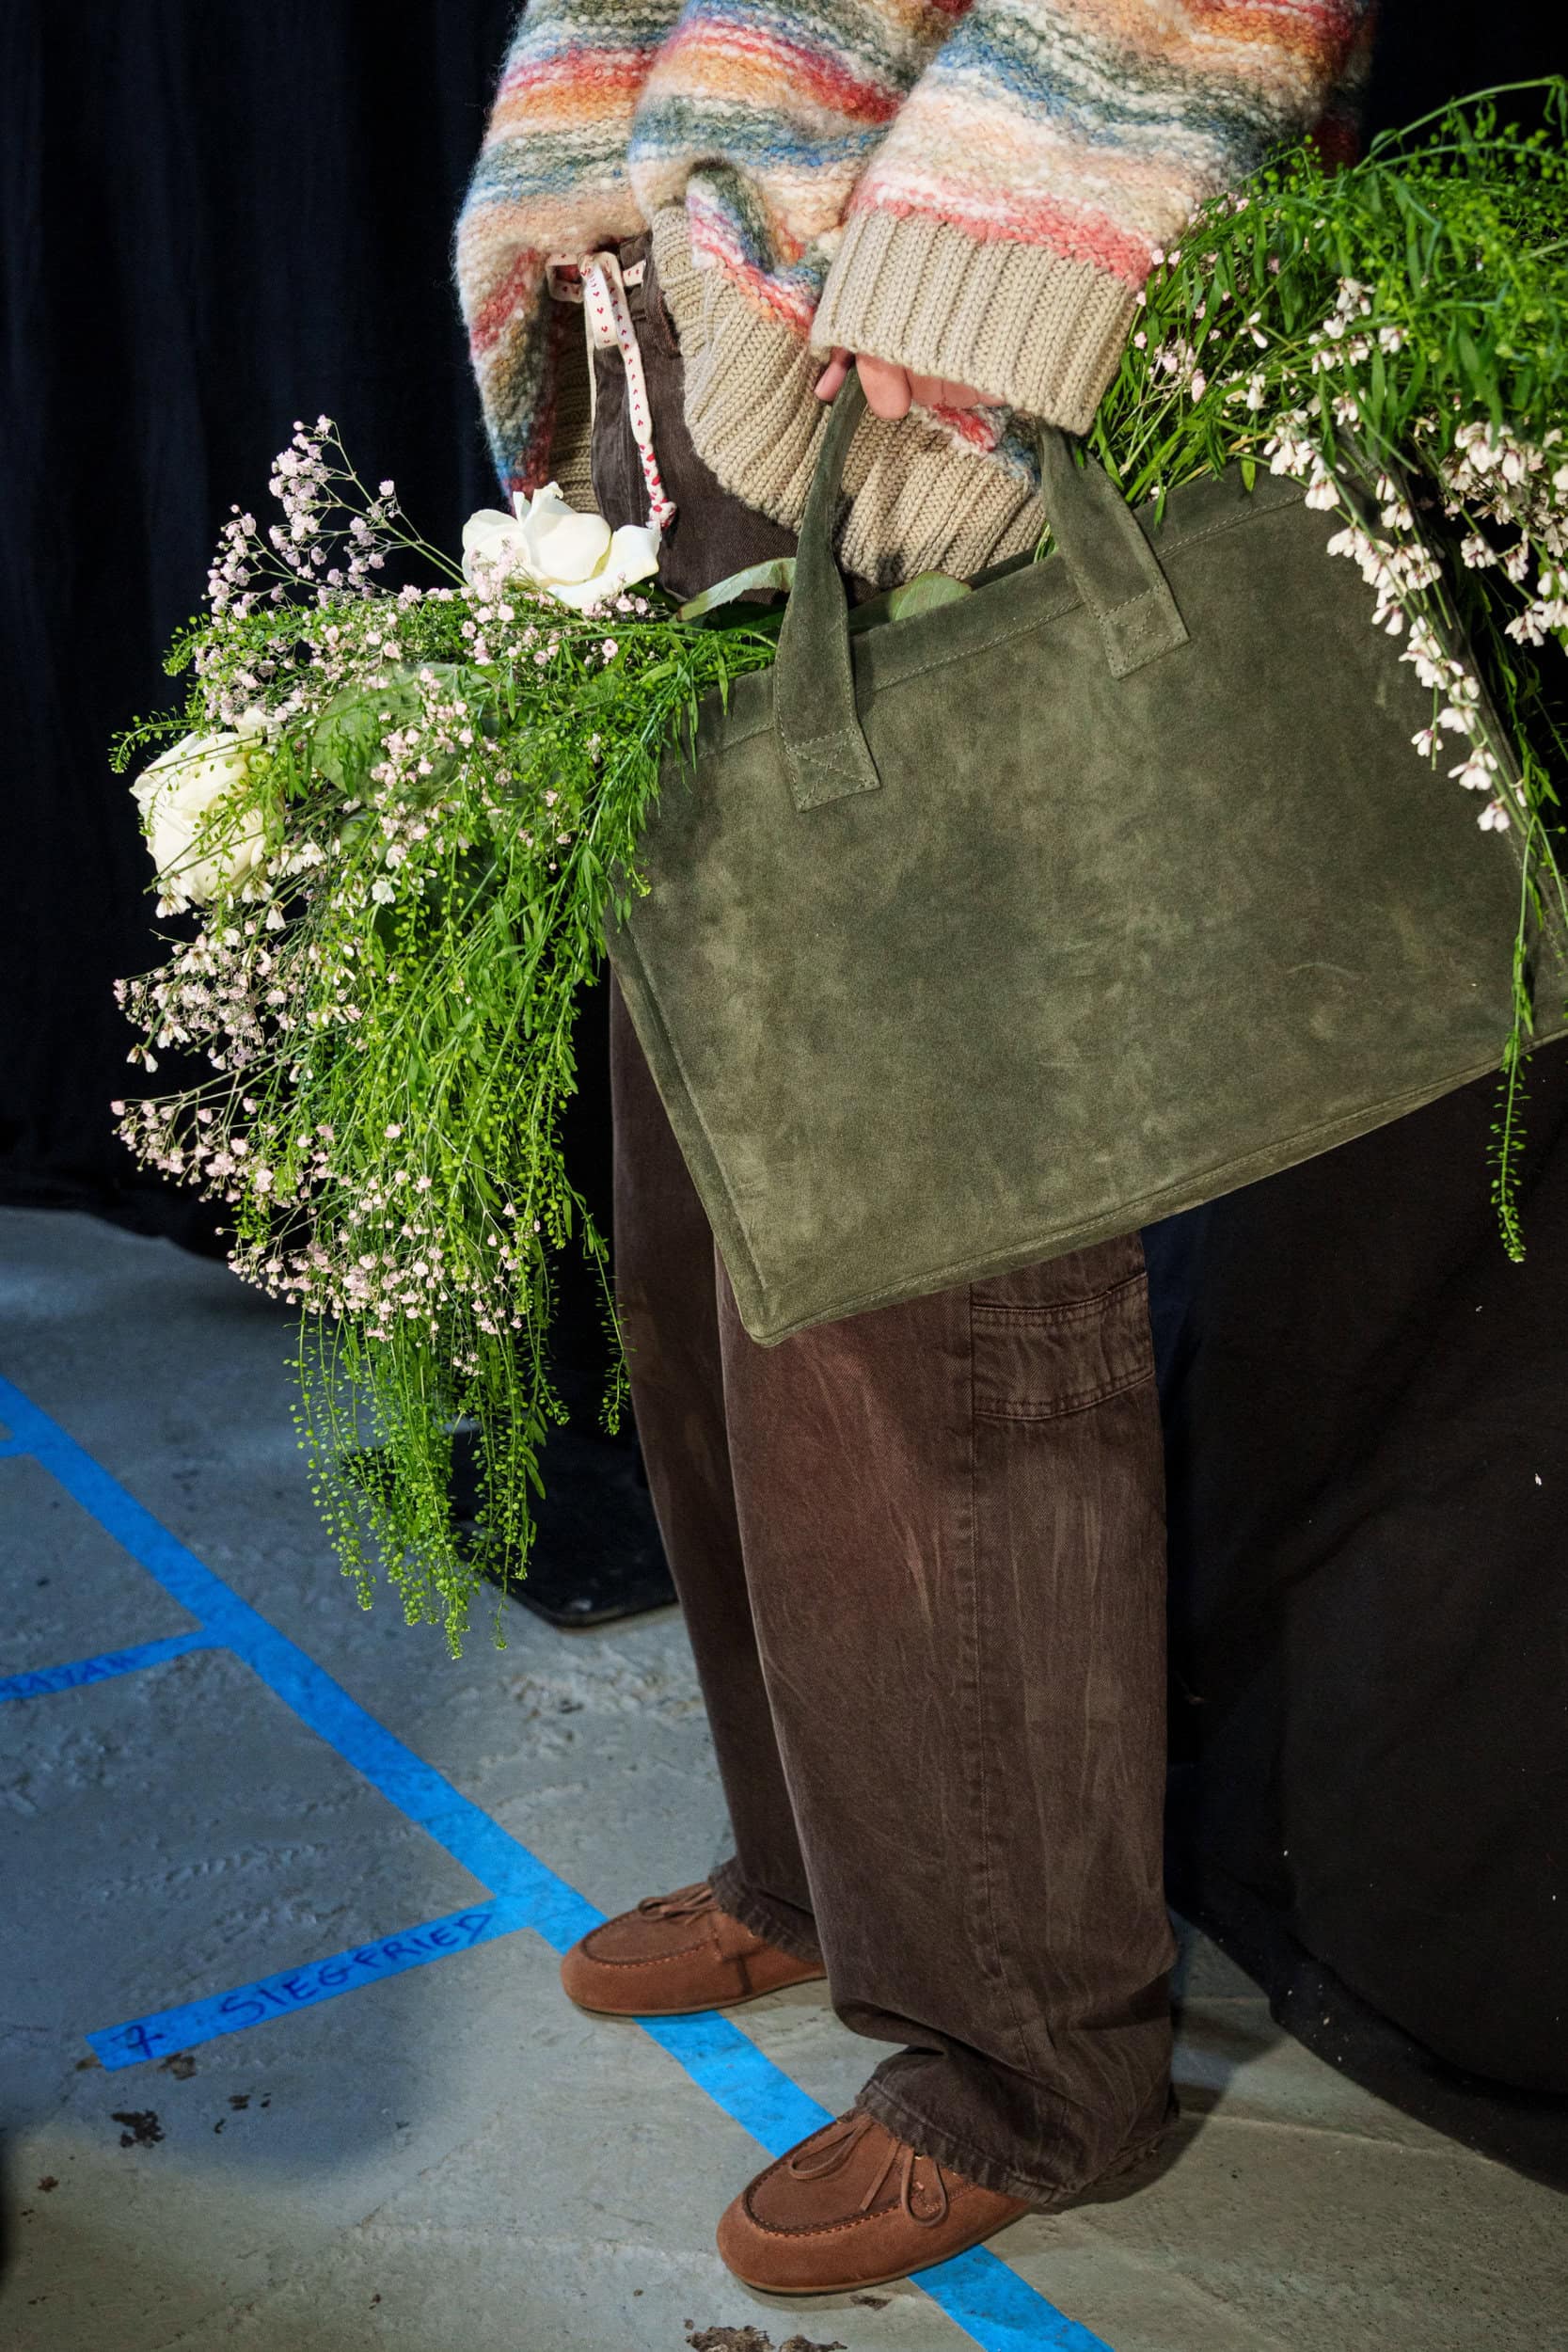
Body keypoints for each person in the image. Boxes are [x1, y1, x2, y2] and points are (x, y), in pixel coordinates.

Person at [456, 0, 1373, 2296]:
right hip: (716, 372)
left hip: (925, 341)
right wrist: (576, 221)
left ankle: (1029, 2054)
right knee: (714, 1242)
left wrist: (997, 326)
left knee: (932, 1278)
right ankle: (816, 1867)